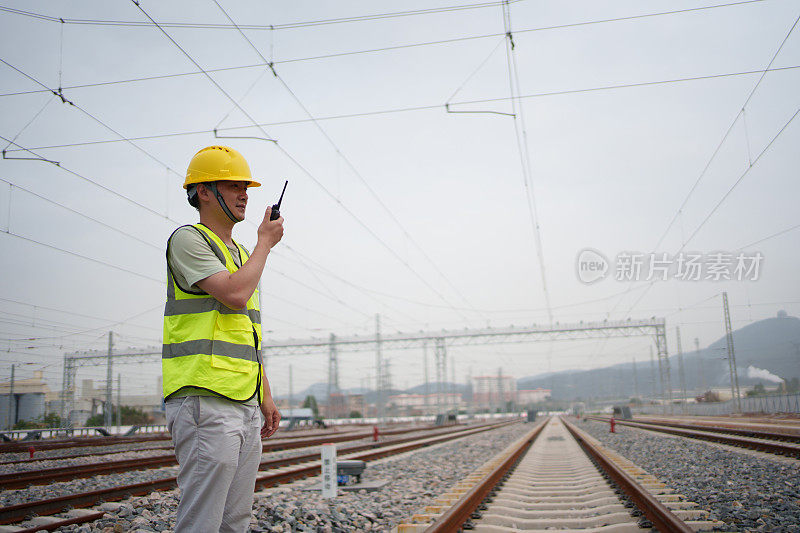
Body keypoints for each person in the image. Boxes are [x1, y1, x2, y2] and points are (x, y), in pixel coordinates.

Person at [162, 145, 283, 533]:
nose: (244, 193)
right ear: (203, 191)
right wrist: (265, 244)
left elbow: (248, 334)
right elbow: (234, 294)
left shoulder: (241, 254)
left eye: (245, 186)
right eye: (233, 186)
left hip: (242, 401)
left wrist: (264, 396)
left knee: (235, 521)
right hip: (205, 399)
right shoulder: (189, 240)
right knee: (203, 520)